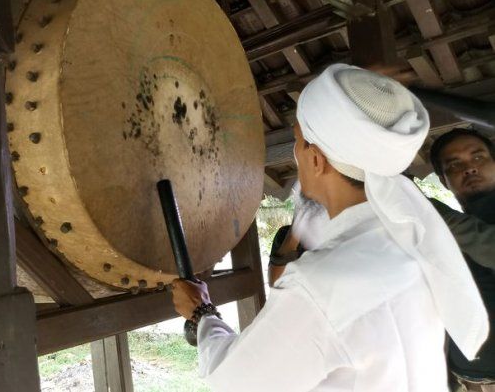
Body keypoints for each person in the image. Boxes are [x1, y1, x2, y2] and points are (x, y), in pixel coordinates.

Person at [170, 64, 489, 392]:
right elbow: (317, 210)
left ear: (316, 159)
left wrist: (202, 314)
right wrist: (357, 101)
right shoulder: (405, 237)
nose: (295, 154)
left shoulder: (320, 284)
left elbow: (235, 380)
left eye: (297, 142)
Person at [429, 128, 495, 391]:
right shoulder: (443, 236)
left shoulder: (445, 225)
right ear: (444, 180)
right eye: (454, 165)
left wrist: (428, 211)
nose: (469, 168)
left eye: (478, 157)